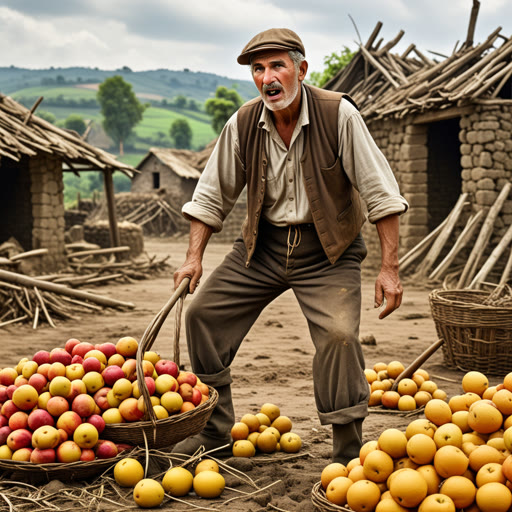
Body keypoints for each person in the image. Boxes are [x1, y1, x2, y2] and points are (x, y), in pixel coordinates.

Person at [172, 28, 408, 464]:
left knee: (339, 336)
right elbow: (210, 195)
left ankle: (346, 448)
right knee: (203, 315)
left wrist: (389, 268)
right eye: (258, 70)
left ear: (301, 69)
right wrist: (192, 258)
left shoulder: (338, 115)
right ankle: (216, 428)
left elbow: (381, 194)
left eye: (277, 65)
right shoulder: (244, 123)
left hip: (327, 253)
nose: (268, 78)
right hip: (261, 248)